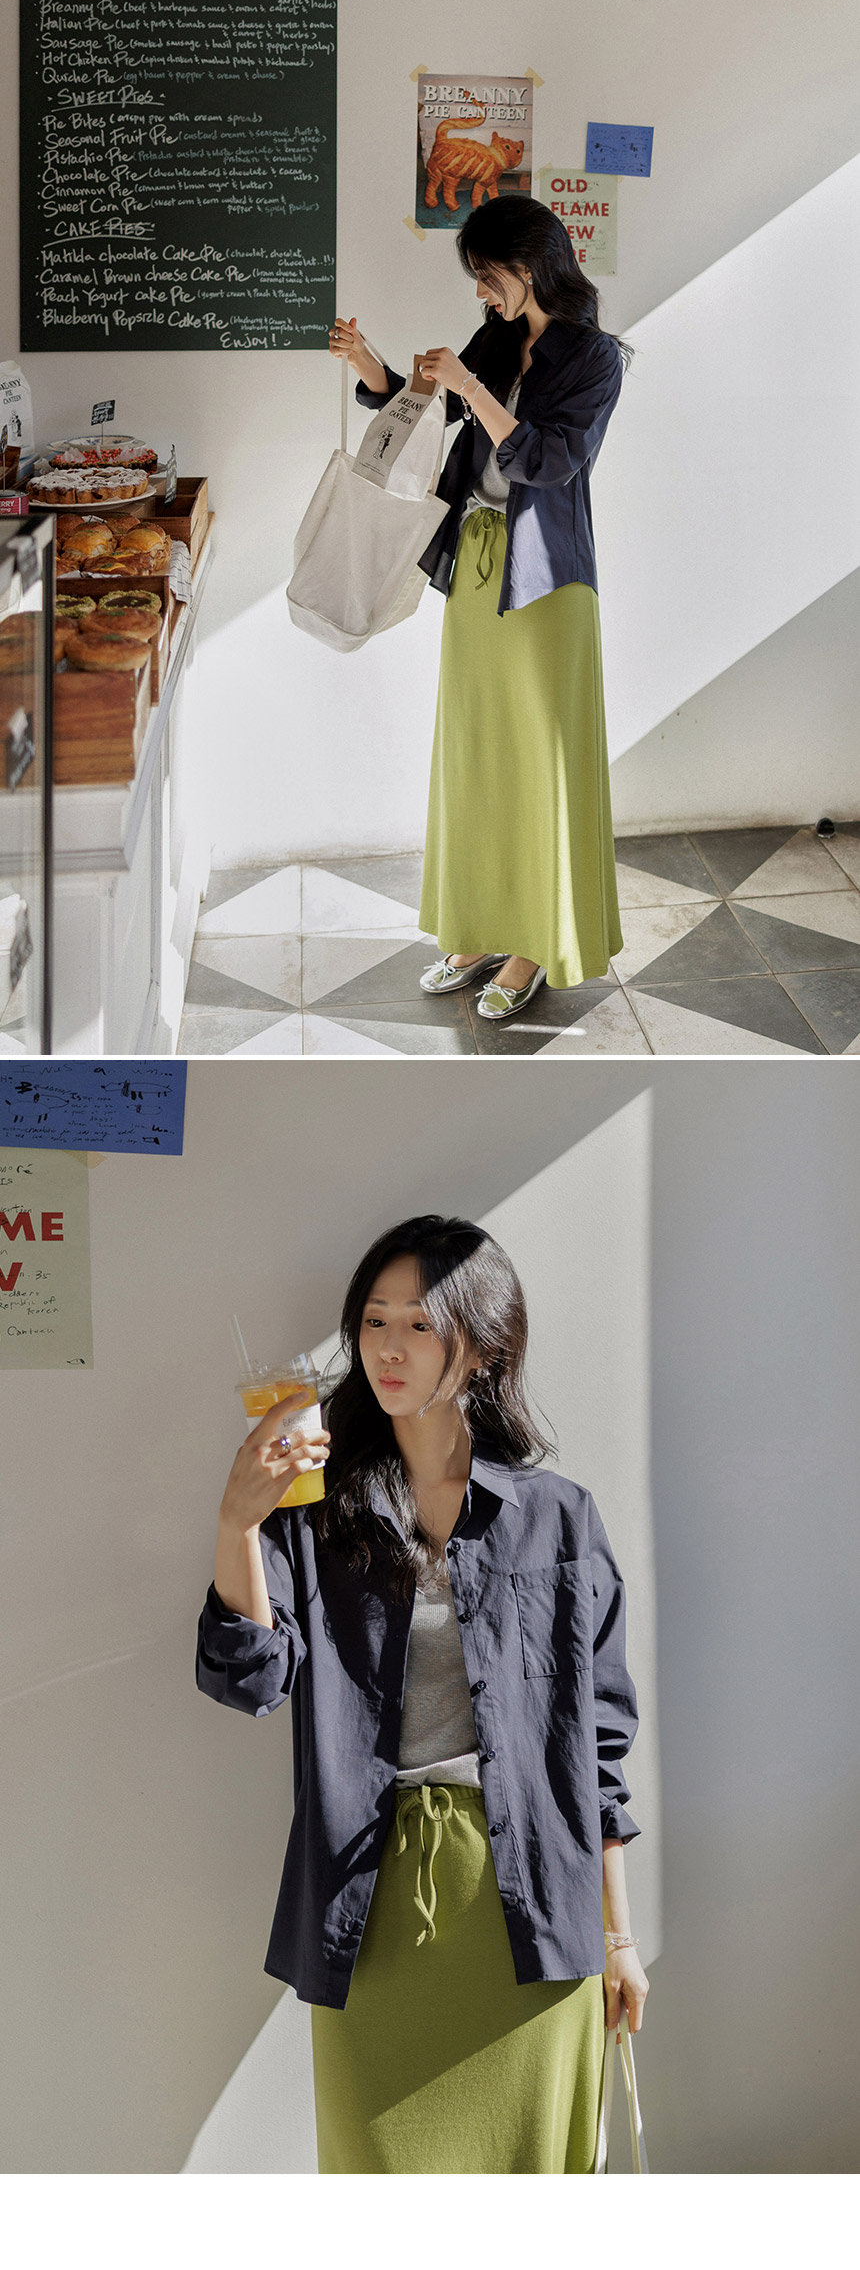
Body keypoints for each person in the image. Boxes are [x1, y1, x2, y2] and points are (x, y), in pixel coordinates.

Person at [197, 1210, 647, 2168]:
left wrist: (618, 1938)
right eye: (374, 1320)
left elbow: (599, 1749)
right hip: (374, 1909)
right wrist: (240, 1522)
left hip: (532, 1903)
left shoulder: (559, 1519)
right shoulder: (317, 1514)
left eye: (419, 1323)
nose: (388, 1347)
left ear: (480, 1346)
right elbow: (251, 1677)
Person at [334, 190, 625, 1017]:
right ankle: (476, 928)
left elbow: (549, 461)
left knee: (540, 761)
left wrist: (472, 386)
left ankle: (532, 943)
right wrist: (372, 368)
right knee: (477, 756)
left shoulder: (594, 357)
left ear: (529, 269)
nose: (480, 292)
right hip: (474, 564)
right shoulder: (495, 338)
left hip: (547, 582)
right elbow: (436, 410)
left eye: (487, 276)